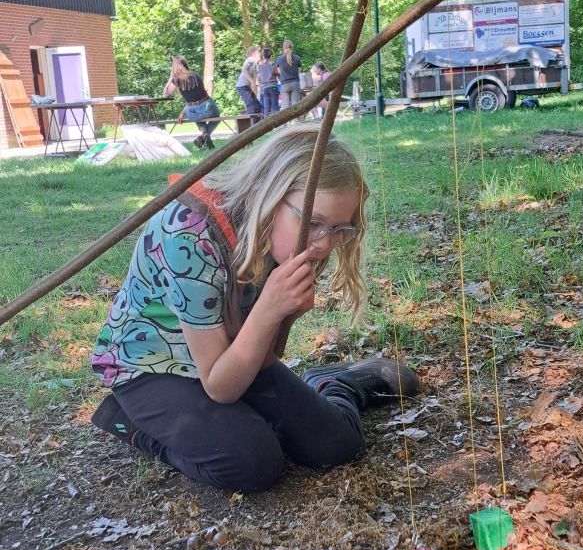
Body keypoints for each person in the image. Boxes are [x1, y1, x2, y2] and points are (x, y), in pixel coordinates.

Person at [90, 125, 418, 494]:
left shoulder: (288, 237)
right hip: (150, 368)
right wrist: (269, 311)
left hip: (231, 356)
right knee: (249, 460)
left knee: (337, 445)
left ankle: (335, 380)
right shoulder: (189, 234)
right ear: (270, 194)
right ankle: (128, 421)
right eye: (313, 223)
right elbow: (220, 387)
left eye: (340, 229)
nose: (325, 244)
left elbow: (265, 356)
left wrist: (280, 313)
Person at [163, 56, 220, 150]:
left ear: (174, 68)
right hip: (207, 107)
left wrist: (170, 78)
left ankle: (204, 134)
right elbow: (201, 96)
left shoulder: (176, 80)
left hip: (193, 112)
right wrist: (182, 113)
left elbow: (166, 94)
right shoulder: (195, 75)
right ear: (185, 64)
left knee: (196, 115)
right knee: (216, 117)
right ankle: (203, 137)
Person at [235, 46, 262, 124]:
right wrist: (251, 81)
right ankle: (245, 124)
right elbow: (244, 70)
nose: (260, 54)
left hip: (246, 87)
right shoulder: (250, 60)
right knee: (251, 106)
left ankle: (257, 126)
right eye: (258, 52)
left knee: (258, 106)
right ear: (253, 54)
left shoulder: (255, 64)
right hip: (242, 87)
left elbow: (253, 78)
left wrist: (253, 87)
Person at [276, 40, 302, 109]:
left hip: (284, 84)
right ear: (292, 47)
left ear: (283, 48)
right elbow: (299, 71)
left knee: (285, 105)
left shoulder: (279, 59)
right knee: (295, 105)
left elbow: (279, 72)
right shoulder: (297, 58)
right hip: (295, 83)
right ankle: (296, 119)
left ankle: (284, 119)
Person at [258, 47, 279, 118]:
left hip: (264, 88)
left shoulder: (260, 65)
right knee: (275, 107)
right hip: (273, 86)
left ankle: (266, 124)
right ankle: (277, 124)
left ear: (263, 55)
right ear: (271, 55)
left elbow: (259, 78)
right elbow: (277, 72)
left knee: (266, 108)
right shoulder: (273, 63)